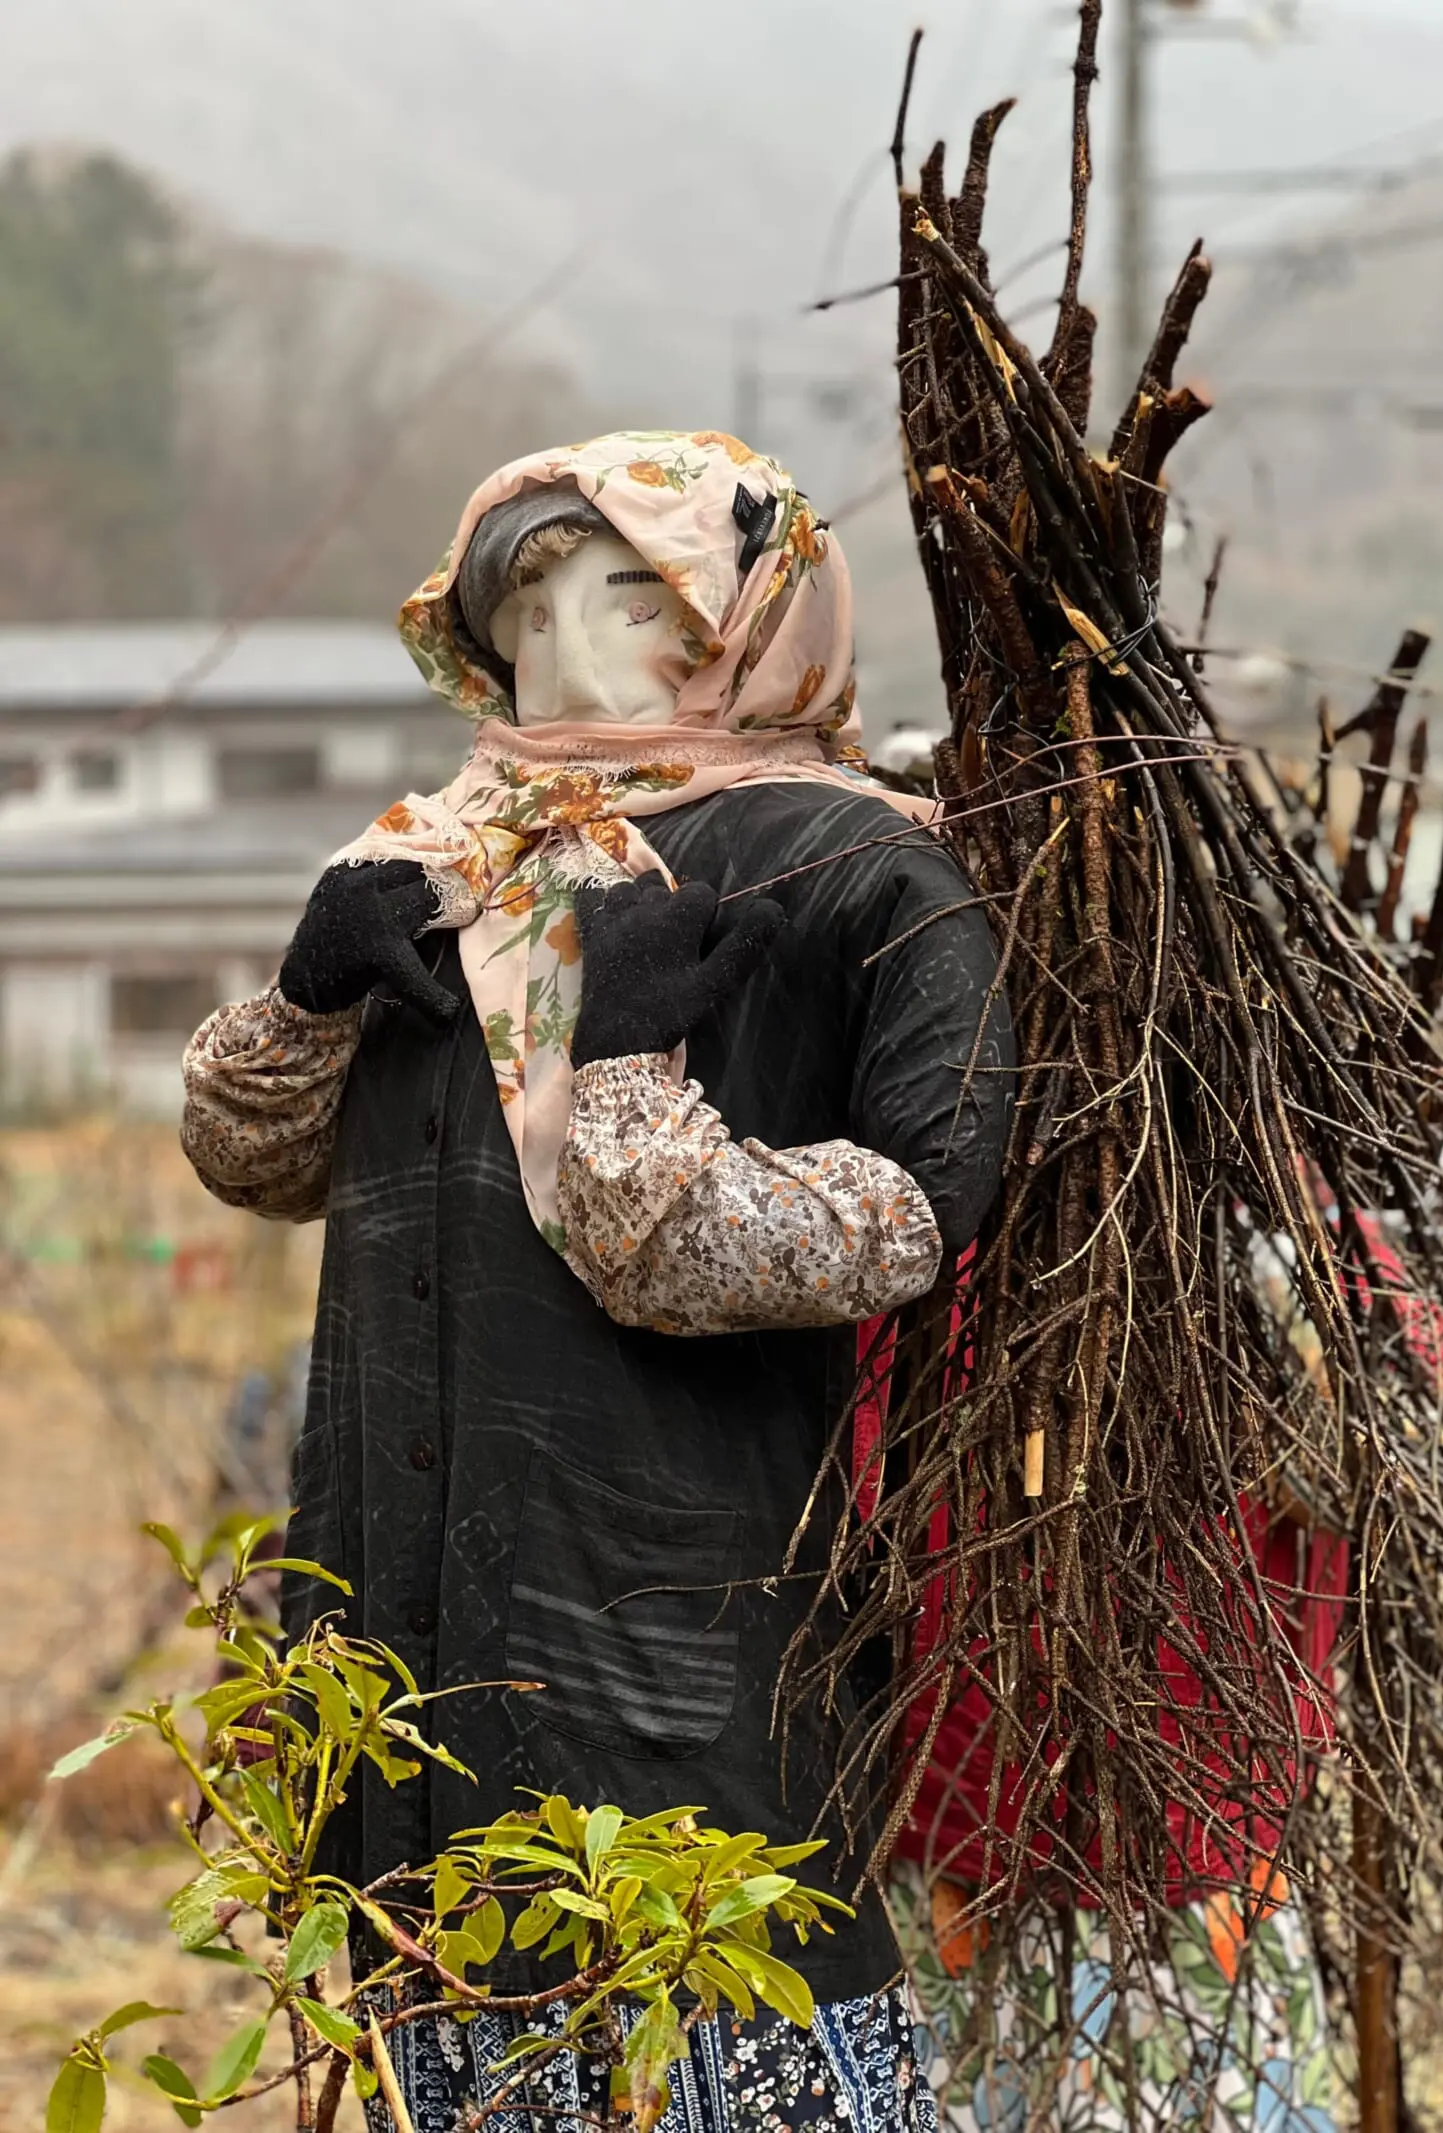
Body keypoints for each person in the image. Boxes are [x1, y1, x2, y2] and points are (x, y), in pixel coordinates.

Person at [180, 430, 1014, 2132]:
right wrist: (304, 1005)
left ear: (756, 618)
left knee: (724, 2056)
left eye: (627, 598)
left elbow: (925, 1214)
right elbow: (262, 1167)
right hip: (399, 1670)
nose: (558, 654)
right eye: (521, 610)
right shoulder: (432, 865)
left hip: (681, 1689)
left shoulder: (860, 872)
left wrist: (629, 1078)